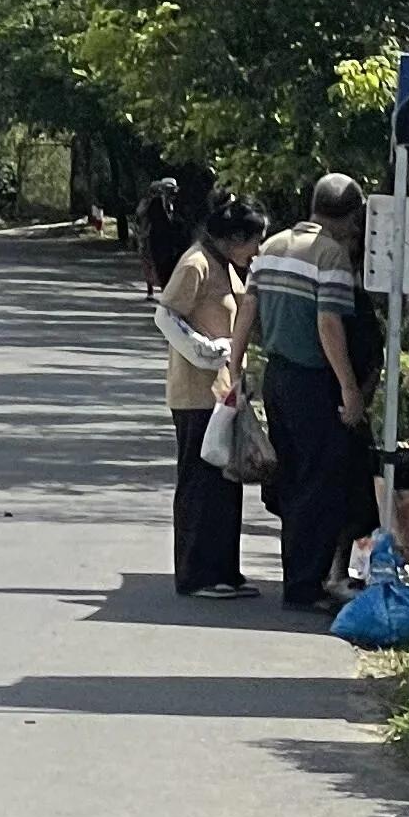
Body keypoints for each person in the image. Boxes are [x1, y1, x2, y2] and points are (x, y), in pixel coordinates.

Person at [249, 173, 382, 614]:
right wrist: (350, 389)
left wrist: (236, 367)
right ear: (352, 216)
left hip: (278, 376)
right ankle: (305, 586)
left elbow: (249, 309)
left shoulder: (272, 246)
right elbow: (329, 324)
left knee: (293, 480)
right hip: (314, 381)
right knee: (319, 483)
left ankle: (299, 575)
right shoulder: (331, 256)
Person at [156, 193, 264, 600]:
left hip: (223, 391)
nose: (256, 251)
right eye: (253, 241)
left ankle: (224, 570)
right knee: (199, 484)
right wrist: (202, 349)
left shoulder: (228, 267)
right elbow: (165, 315)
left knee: (225, 482)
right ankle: (196, 574)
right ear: (233, 238)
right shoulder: (196, 264)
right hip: (195, 393)